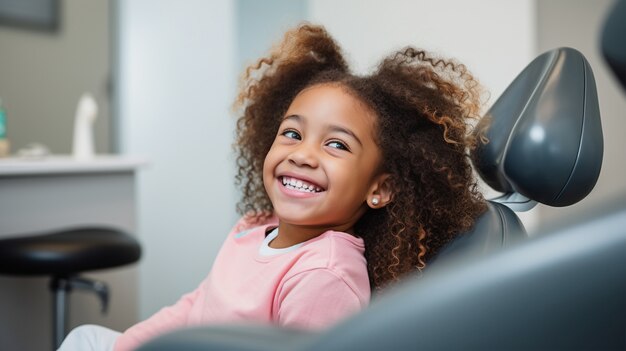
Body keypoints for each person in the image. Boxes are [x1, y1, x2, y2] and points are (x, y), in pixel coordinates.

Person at [58, 23, 487, 351]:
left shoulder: (325, 275)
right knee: (86, 338)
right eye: (292, 134)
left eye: (336, 144)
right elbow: (194, 306)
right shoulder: (252, 228)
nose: (302, 154)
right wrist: (130, 344)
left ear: (381, 188)